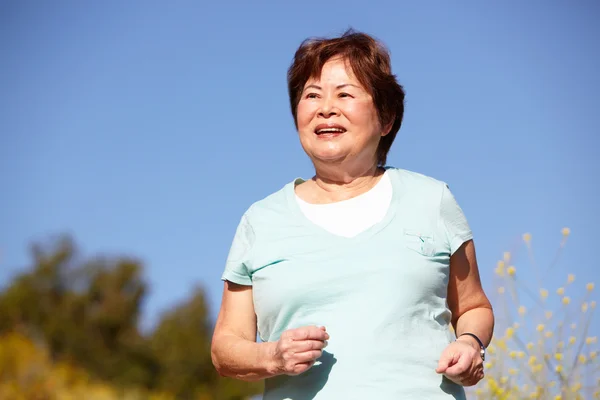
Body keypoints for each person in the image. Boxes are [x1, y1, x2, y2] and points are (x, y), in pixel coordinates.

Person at [211, 29, 494, 399]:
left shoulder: (431, 199)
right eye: (311, 95)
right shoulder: (260, 220)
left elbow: (473, 306)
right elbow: (225, 348)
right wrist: (273, 356)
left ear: (386, 118)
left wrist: (470, 343)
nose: (325, 107)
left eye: (344, 93)